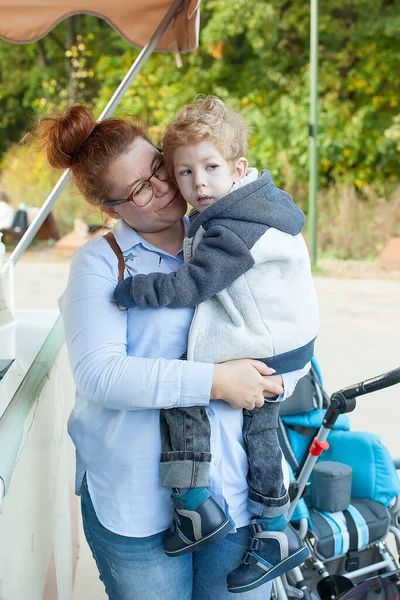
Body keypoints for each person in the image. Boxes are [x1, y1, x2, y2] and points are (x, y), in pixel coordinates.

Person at [35, 104, 307, 600]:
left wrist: (279, 378)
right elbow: (101, 375)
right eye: (139, 188)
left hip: (238, 495)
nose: (162, 186)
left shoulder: (225, 234)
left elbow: (280, 324)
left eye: (159, 168)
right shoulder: (100, 265)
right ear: (112, 208)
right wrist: (215, 381)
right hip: (139, 507)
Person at [114, 96, 319, 593]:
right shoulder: (256, 204)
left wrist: (134, 289)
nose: (198, 183)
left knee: (184, 384)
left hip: (267, 345)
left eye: (210, 167)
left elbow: (192, 285)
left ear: (238, 168)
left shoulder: (235, 227)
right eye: (184, 172)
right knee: (260, 432)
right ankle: (274, 531)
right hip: (287, 343)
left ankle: (193, 500)